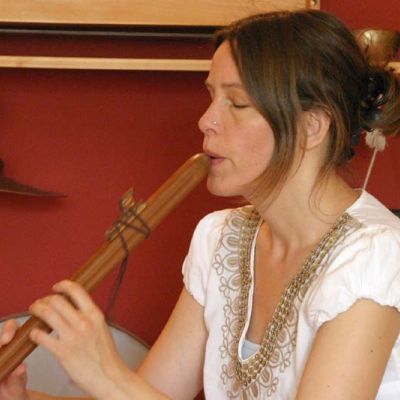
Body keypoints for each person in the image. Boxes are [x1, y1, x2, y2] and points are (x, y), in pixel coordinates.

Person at [1, 8, 400, 400]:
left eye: (237, 103)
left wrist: (108, 375)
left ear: (312, 126)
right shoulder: (221, 237)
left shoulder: (373, 257)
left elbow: (125, 393)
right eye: (211, 97)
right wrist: (21, 397)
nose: (206, 120)